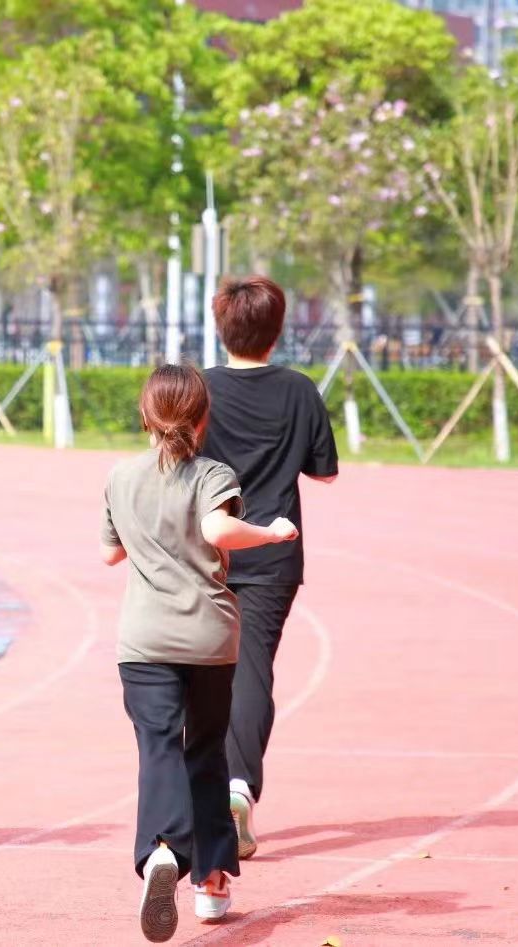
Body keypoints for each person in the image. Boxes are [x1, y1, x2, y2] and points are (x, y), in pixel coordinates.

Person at [100, 363, 299, 943]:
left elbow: (110, 553)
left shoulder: (120, 476)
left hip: (144, 640)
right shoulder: (213, 474)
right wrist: (271, 533)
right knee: (206, 752)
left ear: (145, 416)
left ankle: (162, 848)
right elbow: (217, 531)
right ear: (204, 418)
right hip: (209, 639)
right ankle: (210, 882)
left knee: (158, 746)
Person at [200, 276, 339, 860]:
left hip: (206, 549)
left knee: (197, 672)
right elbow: (324, 471)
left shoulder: (200, 389)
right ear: (278, 332)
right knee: (252, 670)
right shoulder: (300, 390)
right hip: (273, 553)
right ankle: (238, 788)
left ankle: (195, 795)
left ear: (220, 327)